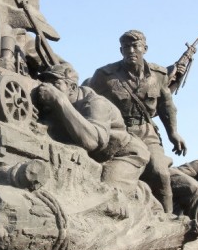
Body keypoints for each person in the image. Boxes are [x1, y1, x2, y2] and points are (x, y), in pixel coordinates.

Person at [88, 30, 187, 213]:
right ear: (121, 50)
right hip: (119, 131)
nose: (131, 50)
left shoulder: (159, 75)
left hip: (146, 130)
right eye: (126, 47)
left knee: (160, 172)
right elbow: (86, 98)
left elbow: (166, 106)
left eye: (135, 46)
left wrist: (173, 133)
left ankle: (168, 219)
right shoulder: (105, 75)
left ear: (145, 49)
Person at [36, 63, 150, 194]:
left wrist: (60, 100)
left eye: (55, 84)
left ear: (72, 87)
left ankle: (143, 194)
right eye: (45, 83)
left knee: (108, 195)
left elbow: (91, 142)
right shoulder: (53, 104)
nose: (48, 88)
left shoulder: (96, 103)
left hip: (122, 154)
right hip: (95, 158)